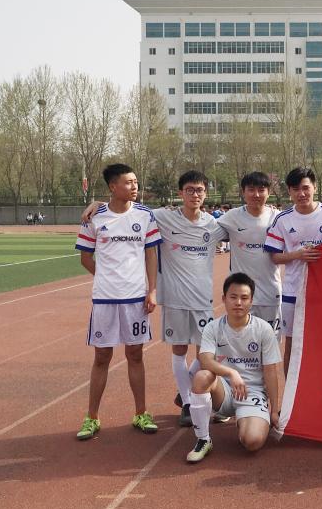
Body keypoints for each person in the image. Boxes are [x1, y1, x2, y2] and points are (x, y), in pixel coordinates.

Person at [82, 171, 227, 428]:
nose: (195, 194)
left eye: (200, 190)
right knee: (177, 350)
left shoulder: (215, 225)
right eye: (190, 189)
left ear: (206, 193)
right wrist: (100, 203)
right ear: (181, 193)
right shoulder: (161, 217)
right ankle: (187, 402)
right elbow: (124, 208)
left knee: (209, 353)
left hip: (203, 299)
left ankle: (186, 390)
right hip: (173, 298)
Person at [74, 164, 161, 440]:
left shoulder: (145, 215)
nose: (135, 187)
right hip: (105, 299)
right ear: (113, 186)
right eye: (129, 182)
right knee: (102, 357)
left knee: (135, 355)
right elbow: (85, 257)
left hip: (136, 298)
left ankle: (141, 413)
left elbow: (151, 254)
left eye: (136, 182)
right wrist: (106, 277)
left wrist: (151, 290)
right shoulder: (94, 217)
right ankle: (92, 417)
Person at [185, 273, 284, 463]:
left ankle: (245, 419)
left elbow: (271, 372)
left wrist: (274, 410)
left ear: (251, 301)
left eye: (244, 298)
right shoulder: (213, 328)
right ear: (224, 299)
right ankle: (203, 439)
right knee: (202, 376)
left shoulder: (263, 329)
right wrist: (231, 373)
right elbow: (205, 360)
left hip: (252, 392)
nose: (238, 302)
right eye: (233, 297)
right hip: (223, 390)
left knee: (253, 442)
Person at [264, 167, 322, 373]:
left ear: (314, 187)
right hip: (293, 292)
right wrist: (297, 255)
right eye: (296, 189)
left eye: (306, 188)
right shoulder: (283, 219)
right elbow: (274, 256)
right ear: (289, 191)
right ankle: (291, 392)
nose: (301, 193)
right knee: (292, 343)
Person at [218, 171, 283, 329]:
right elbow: (204, 229)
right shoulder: (231, 217)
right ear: (243, 192)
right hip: (240, 296)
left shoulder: (278, 218)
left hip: (270, 293)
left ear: (269, 192)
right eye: (251, 189)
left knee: (269, 340)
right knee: (240, 339)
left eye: (261, 190)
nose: (256, 194)